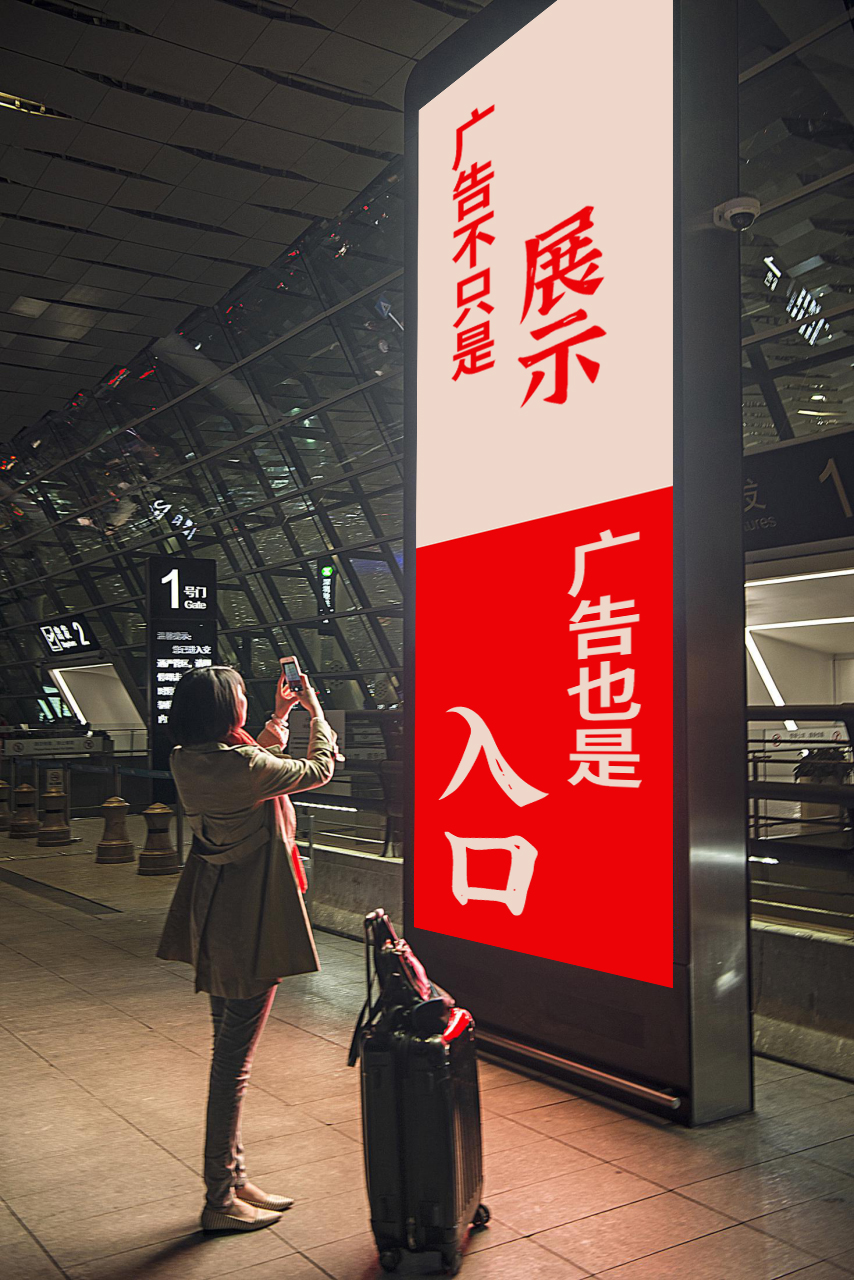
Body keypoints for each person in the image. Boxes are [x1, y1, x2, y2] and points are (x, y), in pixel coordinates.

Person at [156, 664, 336, 1233]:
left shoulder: (187, 760)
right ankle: (219, 1198)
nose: (244, 701)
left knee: (227, 1052)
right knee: (233, 1064)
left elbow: (248, 766)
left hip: (215, 917)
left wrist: (277, 719)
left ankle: (233, 1178)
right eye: (238, 696)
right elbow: (318, 769)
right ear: (224, 710)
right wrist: (315, 715)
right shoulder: (244, 767)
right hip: (252, 919)